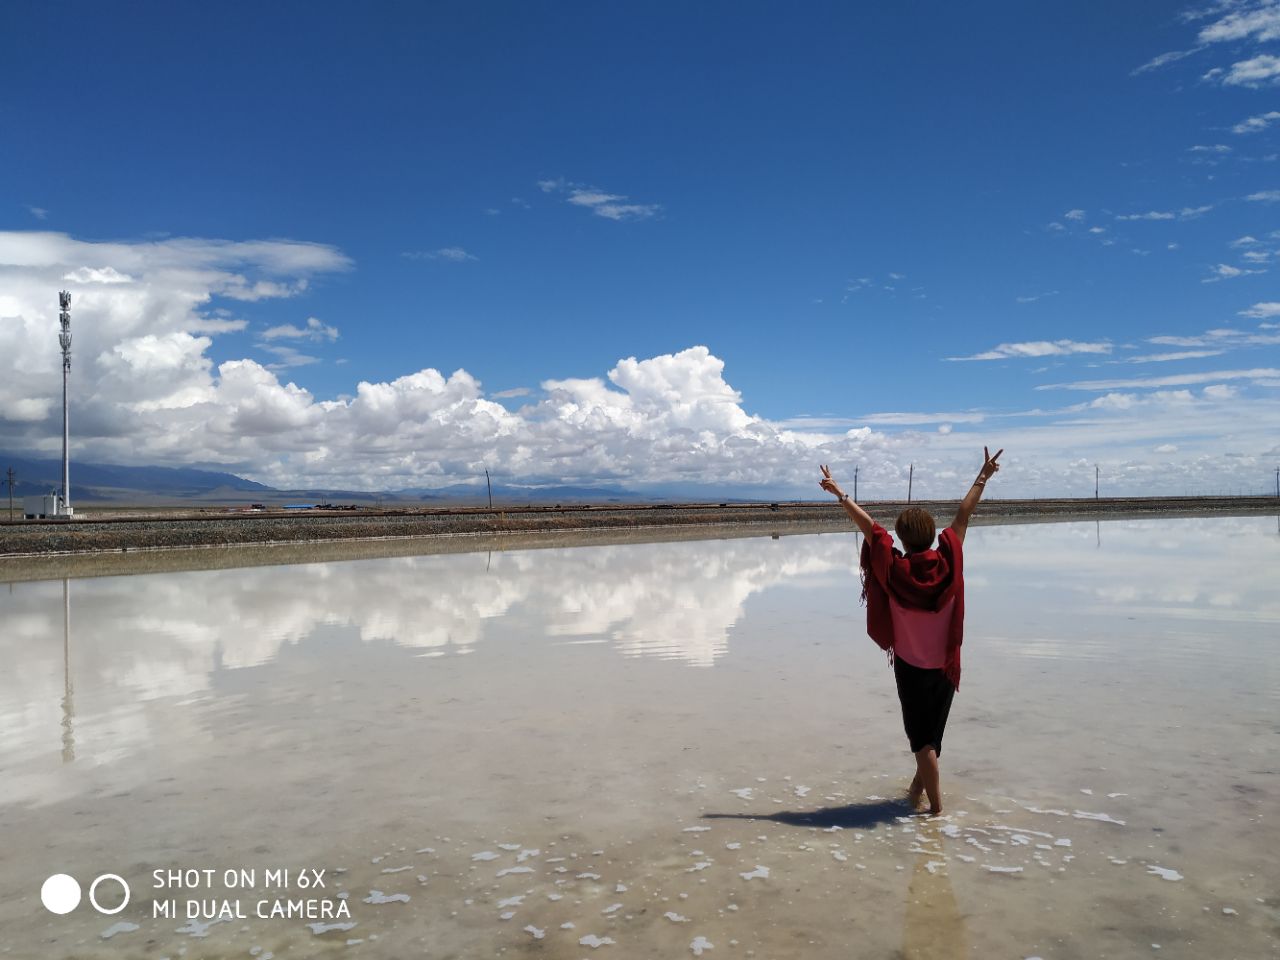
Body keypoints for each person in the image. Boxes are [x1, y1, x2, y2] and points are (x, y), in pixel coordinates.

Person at [819, 448, 1002, 815]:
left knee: (922, 742)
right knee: (932, 739)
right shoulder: (948, 561)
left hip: (911, 668)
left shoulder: (894, 571)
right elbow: (964, 515)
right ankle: (915, 793)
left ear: (901, 539)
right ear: (933, 535)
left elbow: (870, 530)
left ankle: (935, 812)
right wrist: (983, 476)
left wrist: (839, 493)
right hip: (945, 667)